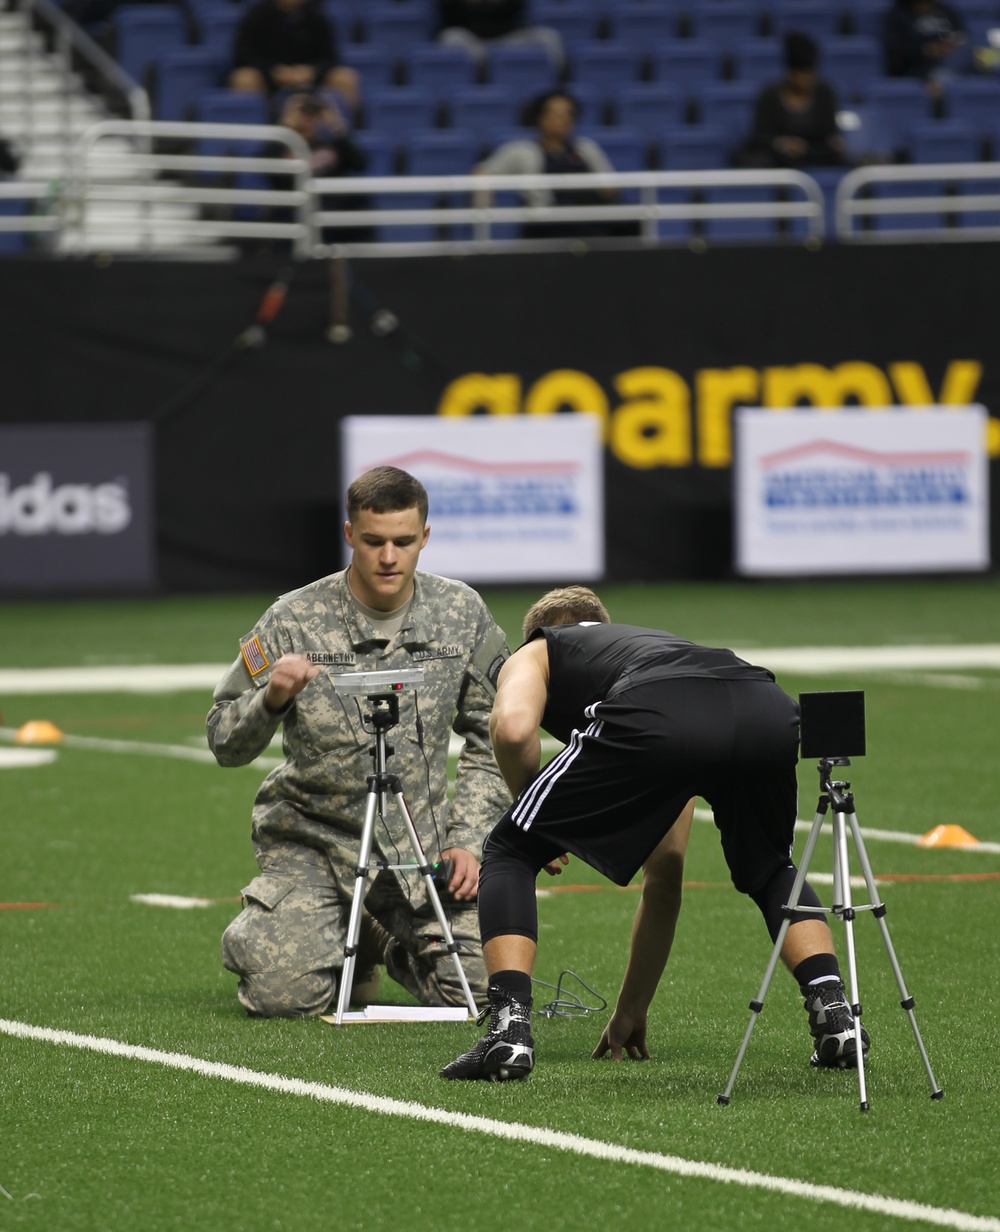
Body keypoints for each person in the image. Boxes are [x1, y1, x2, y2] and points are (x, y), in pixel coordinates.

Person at [441, 585, 871, 1081]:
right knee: (773, 869)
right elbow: (663, 878)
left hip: (657, 715)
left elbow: (514, 730)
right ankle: (836, 1018)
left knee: (509, 849)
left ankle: (509, 1030)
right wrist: (631, 1007)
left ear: (545, 630)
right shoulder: (652, 649)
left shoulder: (539, 649)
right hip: (764, 705)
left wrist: (530, 813)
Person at [207, 466, 511, 1018]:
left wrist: (468, 837)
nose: (388, 557)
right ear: (350, 535)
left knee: (487, 992)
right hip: (315, 842)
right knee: (282, 998)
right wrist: (271, 698)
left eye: (402, 541)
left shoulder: (461, 613)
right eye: (373, 541)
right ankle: (290, 925)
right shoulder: (293, 619)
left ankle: (372, 937)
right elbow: (224, 740)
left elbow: (496, 734)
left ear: (425, 536)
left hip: (418, 848)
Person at [475, 90, 632, 239]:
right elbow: (482, 172)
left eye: (568, 114)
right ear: (540, 118)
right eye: (556, 114)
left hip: (587, 219)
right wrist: (485, 203)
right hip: (546, 223)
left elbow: (610, 188)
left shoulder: (586, 148)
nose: (563, 119)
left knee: (630, 220)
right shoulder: (521, 151)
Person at [229, 0, 360, 115]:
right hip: (269, 79)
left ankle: (342, 133)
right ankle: (256, 131)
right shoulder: (256, 16)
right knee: (244, 78)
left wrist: (312, 71)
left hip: (309, 78)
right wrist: (272, 71)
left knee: (345, 77)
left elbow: (330, 58)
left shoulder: (317, 16)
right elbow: (244, 56)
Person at [739, 30, 846, 170]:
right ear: (790, 72)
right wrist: (782, 144)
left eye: (810, 73)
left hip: (816, 158)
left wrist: (833, 143)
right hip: (779, 162)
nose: (806, 80)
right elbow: (759, 137)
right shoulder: (770, 95)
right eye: (801, 73)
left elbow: (830, 133)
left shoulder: (825, 93)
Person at [437, 0, 565, 73]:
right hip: (472, 40)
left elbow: (516, 10)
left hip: (508, 38)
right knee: (450, 37)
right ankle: (482, 79)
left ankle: (557, 79)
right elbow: (449, 15)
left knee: (548, 37)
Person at [883, 0, 974, 94]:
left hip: (953, 60)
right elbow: (896, 49)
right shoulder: (897, 15)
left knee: (969, 48)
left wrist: (947, 46)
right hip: (921, 68)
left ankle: (941, 81)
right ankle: (941, 82)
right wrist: (927, 50)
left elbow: (962, 36)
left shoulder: (946, 11)